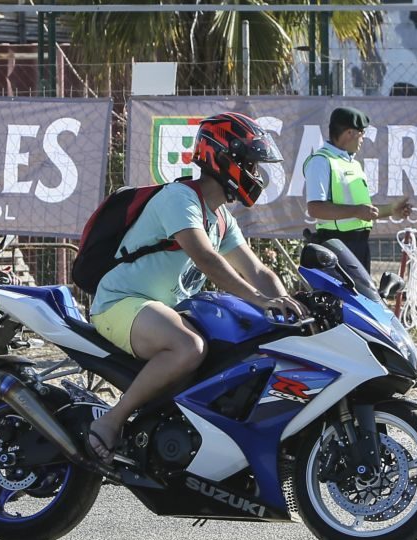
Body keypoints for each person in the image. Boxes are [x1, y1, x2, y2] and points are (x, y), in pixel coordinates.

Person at [86, 112, 304, 461]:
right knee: (188, 346)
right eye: (250, 163)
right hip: (120, 302)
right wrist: (262, 301)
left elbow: (257, 269)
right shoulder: (180, 198)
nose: (255, 174)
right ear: (222, 157)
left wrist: (286, 300)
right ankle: (112, 420)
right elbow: (206, 259)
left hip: (162, 311)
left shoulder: (220, 218)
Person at [304, 106, 411, 273]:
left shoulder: (353, 164)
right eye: (362, 133)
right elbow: (315, 208)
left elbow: (362, 212)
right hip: (337, 247)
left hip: (359, 247)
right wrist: (356, 211)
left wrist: (391, 209)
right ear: (349, 133)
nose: (363, 139)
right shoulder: (321, 161)